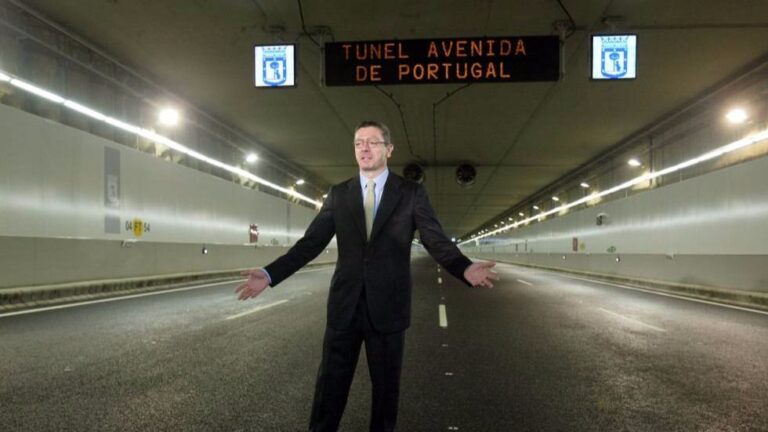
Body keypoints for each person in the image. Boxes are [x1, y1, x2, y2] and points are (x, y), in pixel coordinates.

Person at [235, 120, 498, 432]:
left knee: (386, 395)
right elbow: (310, 244)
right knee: (328, 392)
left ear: (389, 149)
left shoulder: (411, 194)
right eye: (359, 142)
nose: (364, 148)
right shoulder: (338, 194)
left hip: (389, 309)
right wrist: (269, 273)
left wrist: (464, 267)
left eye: (373, 142)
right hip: (344, 308)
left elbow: (435, 240)